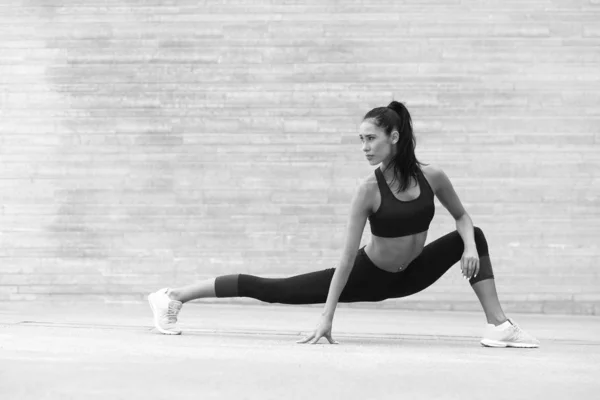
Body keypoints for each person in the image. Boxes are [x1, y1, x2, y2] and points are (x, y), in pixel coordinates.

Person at [148, 101, 540, 348]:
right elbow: (347, 258)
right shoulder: (368, 189)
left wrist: (468, 246)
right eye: (361, 139)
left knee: (476, 237)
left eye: (370, 138)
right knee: (271, 289)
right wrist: (327, 316)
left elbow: (462, 217)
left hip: (412, 274)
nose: (364, 147)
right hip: (367, 276)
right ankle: (174, 296)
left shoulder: (432, 176)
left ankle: (499, 326)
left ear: (394, 136)